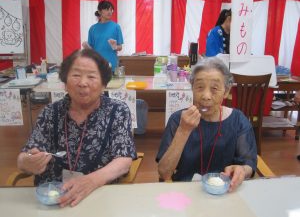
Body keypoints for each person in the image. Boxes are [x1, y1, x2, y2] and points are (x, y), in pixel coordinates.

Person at [17, 49, 136, 207]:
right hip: (52, 200)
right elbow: (25, 156)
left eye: (92, 76)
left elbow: (124, 160)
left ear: (103, 84)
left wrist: (90, 182)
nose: (82, 83)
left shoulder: (117, 111)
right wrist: (27, 162)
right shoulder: (50, 112)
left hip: (99, 197)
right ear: (65, 82)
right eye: (76, 75)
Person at [156, 57, 257, 192]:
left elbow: (249, 163)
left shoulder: (238, 120)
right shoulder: (178, 120)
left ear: (226, 91)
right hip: (185, 191)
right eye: (199, 87)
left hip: (225, 191)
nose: (206, 96)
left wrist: (242, 170)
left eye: (214, 88)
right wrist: (183, 130)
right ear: (192, 88)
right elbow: (164, 172)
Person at [87, 0, 123, 72]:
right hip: (96, 65)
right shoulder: (92, 28)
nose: (109, 12)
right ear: (100, 11)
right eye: (107, 9)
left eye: (111, 10)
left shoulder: (116, 27)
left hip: (111, 65)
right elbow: (90, 49)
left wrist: (115, 47)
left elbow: (120, 47)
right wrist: (86, 46)